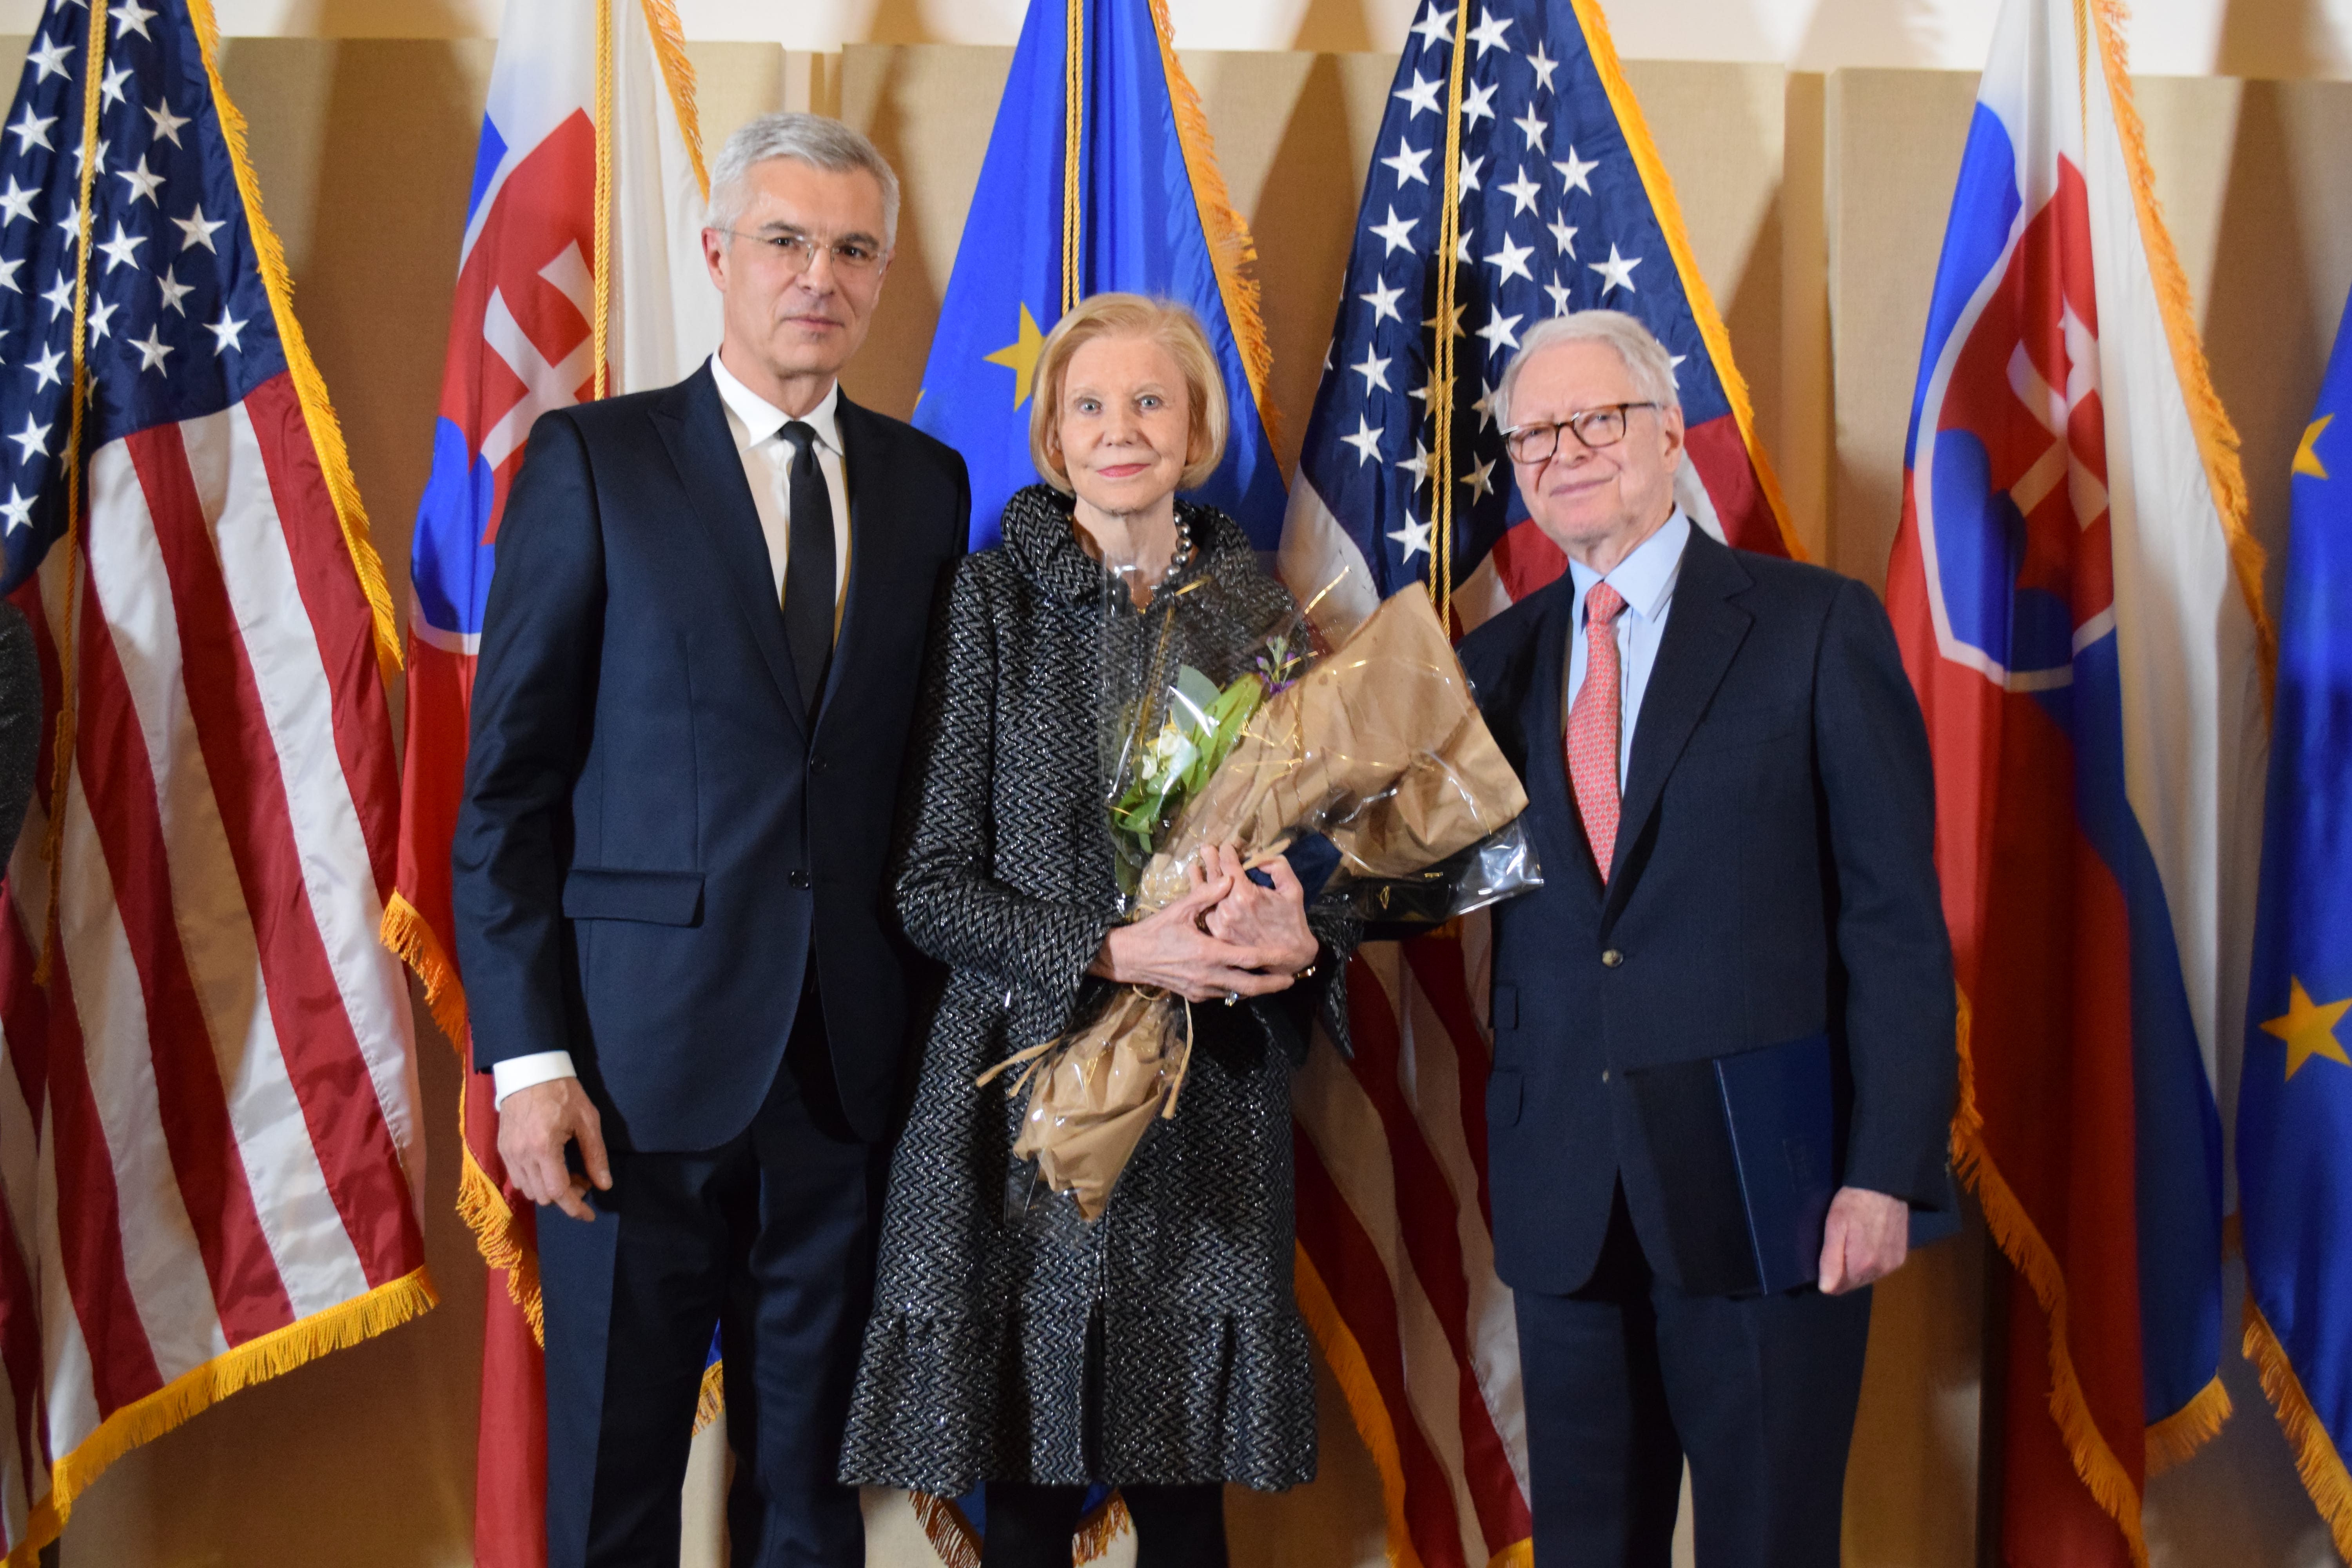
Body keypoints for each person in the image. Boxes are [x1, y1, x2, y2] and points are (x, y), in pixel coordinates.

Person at [452, 113, 969, 1568]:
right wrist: (532, 1063)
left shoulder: (928, 486)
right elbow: (509, 798)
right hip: (628, 1077)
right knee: (617, 1491)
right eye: (789, 241)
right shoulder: (595, 462)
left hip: (845, 1077)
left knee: (809, 1497)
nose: (822, 275)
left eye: (854, 249)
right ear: (719, 256)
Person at [838, 293, 1351, 1568]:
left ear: (1195, 431)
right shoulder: (987, 604)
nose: (1120, 429)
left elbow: (1321, 866)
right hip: (1021, 1101)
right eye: (1089, 406)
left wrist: (1300, 937)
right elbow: (930, 886)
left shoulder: (1259, 615)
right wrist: (1118, 951)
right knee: (1023, 1492)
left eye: (1149, 402)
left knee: (1185, 1507)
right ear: (1055, 439)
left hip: (1207, 1106)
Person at [1457, 310, 1955, 1568]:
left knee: (1769, 1545)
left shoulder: (1815, 627)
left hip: (1769, 1192)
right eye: (1533, 435)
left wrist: (1885, 1168)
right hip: (1565, 1184)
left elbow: (1896, 923)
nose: (1564, 451)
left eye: (1596, 420)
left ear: (1670, 433)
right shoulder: (1489, 668)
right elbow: (1394, 875)